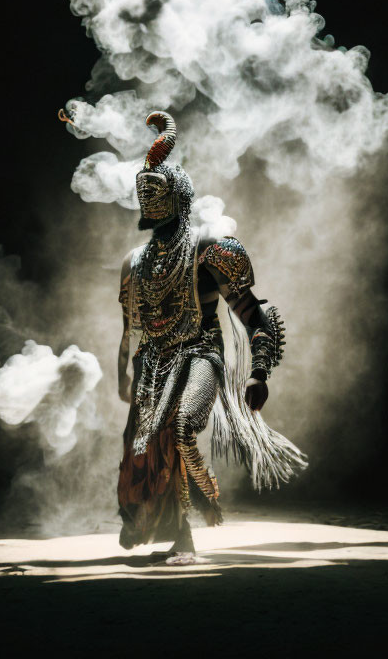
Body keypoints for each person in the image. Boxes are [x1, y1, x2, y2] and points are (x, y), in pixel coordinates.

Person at [117, 111, 306, 565]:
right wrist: (125, 369)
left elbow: (254, 315)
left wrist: (259, 372)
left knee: (181, 427)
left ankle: (189, 537)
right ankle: (168, 529)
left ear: (178, 196)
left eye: (156, 190)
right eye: (143, 191)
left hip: (201, 352)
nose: (148, 198)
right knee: (143, 446)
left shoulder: (211, 248)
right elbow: (131, 327)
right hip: (153, 359)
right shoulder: (135, 261)